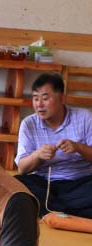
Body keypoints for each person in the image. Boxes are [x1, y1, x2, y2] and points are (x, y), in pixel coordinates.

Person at [14, 72, 92, 218]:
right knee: (16, 183)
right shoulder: (29, 124)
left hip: (81, 183)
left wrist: (79, 147)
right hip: (45, 185)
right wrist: (37, 155)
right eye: (35, 98)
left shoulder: (84, 117)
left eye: (45, 98)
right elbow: (22, 168)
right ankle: (72, 211)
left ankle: (51, 210)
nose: (39, 104)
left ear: (61, 98)